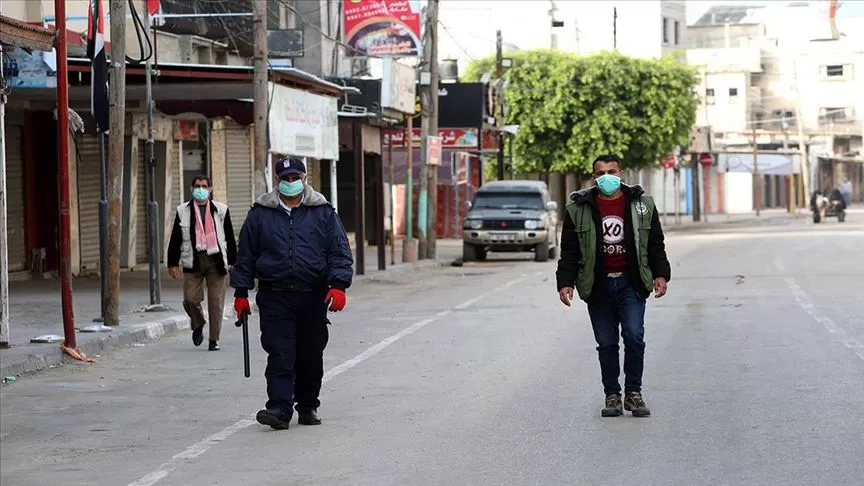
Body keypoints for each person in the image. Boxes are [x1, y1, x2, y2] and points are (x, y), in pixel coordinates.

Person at [230, 156, 353, 430]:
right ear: (277, 181)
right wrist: (241, 292)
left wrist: (339, 285)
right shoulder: (260, 213)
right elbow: (246, 256)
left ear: (305, 178)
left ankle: (308, 405)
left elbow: (339, 252)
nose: (290, 183)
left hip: (312, 295)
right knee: (279, 352)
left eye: (295, 178)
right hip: (274, 296)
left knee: (310, 354)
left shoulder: (323, 212)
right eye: (285, 179)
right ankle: (279, 408)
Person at [556, 154, 671, 418]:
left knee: (633, 336)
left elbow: (655, 244)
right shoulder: (578, 209)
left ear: (621, 173)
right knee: (606, 343)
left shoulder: (642, 205)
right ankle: (612, 396)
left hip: (631, 283)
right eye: (601, 173)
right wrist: (565, 282)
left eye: (612, 171)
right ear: (594, 178)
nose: (607, 177)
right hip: (597, 286)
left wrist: (661, 274)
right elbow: (570, 251)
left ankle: (633, 394)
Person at [167, 175, 237, 351]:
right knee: (190, 299)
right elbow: (175, 238)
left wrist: (234, 262)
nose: (201, 189)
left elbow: (229, 236)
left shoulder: (221, 209)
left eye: (204, 186)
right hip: (193, 260)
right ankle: (198, 323)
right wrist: (172, 263)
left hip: (216, 261)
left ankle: (214, 340)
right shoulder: (183, 210)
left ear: (210, 189)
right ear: (191, 189)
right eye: (197, 186)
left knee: (216, 303)